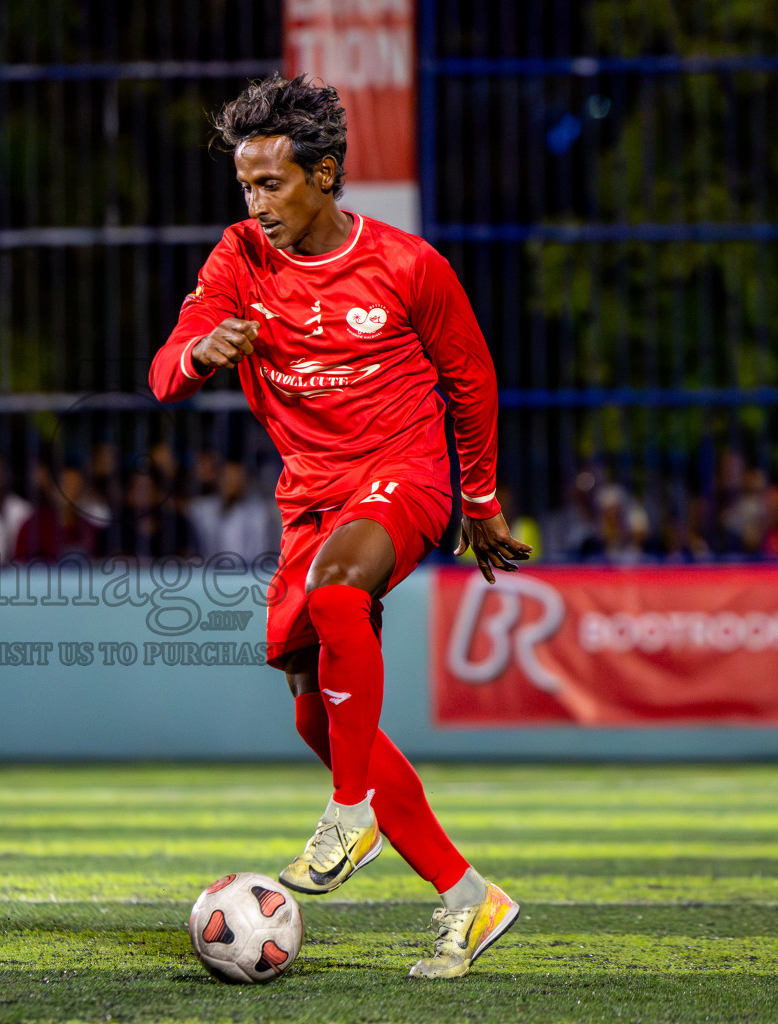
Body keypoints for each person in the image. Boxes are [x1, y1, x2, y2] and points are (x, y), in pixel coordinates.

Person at [149, 75, 531, 980]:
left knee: (337, 591)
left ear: (323, 175)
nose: (255, 203)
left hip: (407, 477)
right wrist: (200, 351)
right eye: (245, 185)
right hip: (310, 500)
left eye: (271, 184)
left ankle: (348, 815)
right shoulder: (238, 259)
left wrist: (477, 501)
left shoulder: (408, 265)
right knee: (316, 719)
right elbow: (164, 371)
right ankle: (468, 897)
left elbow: (471, 384)